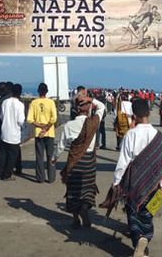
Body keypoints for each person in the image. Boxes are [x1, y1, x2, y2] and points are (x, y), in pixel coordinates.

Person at [102, 99, 162, 257]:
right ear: (148, 112)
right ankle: (144, 242)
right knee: (147, 214)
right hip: (153, 183)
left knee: (133, 214)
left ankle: (139, 239)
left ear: (135, 115)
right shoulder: (158, 135)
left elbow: (123, 162)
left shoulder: (131, 134)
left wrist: (116, 183)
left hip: (134, 182)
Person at [52, 94, 105, 228]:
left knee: (73, 191)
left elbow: (61, 146)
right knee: (88, 189)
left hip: (74, 162)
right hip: (89, 162)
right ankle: (84, 209)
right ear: (88, 108)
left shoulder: (69, 125)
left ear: (75, 109)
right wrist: (91, 99)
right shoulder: (93, 122)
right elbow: (102, 107)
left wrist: (54, 158)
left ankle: (76, 219)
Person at [28, 83, 57, 183]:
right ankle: (51, 177)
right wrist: (46, 128)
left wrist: (41, 127)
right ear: (47, 91)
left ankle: (40, 178)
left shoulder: (34, 103)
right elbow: (54, 118)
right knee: (50, 155)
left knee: (39, 156)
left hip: (38, 133)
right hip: (49, 132)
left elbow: (30, 119)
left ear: (38, 91)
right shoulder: (51, 102)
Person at [0, 83, 25, 180]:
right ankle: (7, 175)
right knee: (13, 155)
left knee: (3, 153)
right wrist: (21, 126)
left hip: (4, 131)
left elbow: (1, 116)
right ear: (19, 93)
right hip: (14, 134)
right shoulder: (20, 104)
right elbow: (21, 120)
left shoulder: (5, 102)